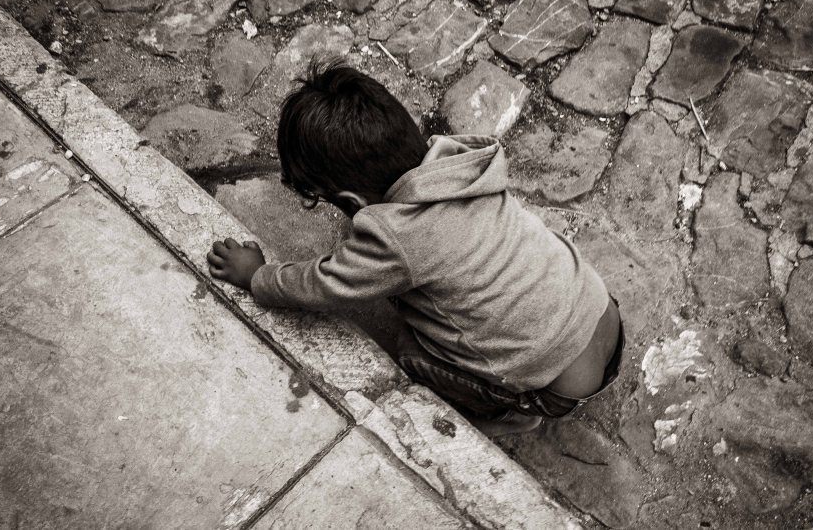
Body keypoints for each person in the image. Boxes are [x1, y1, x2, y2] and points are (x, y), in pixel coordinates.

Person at [207, 60, 623, 436]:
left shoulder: (395, 237)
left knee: (408, 347)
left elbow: (323, 284)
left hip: (557, 392)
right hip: (602, 312)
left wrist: (257, 275)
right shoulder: (461, 160)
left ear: (352, 203)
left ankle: (506, 416)